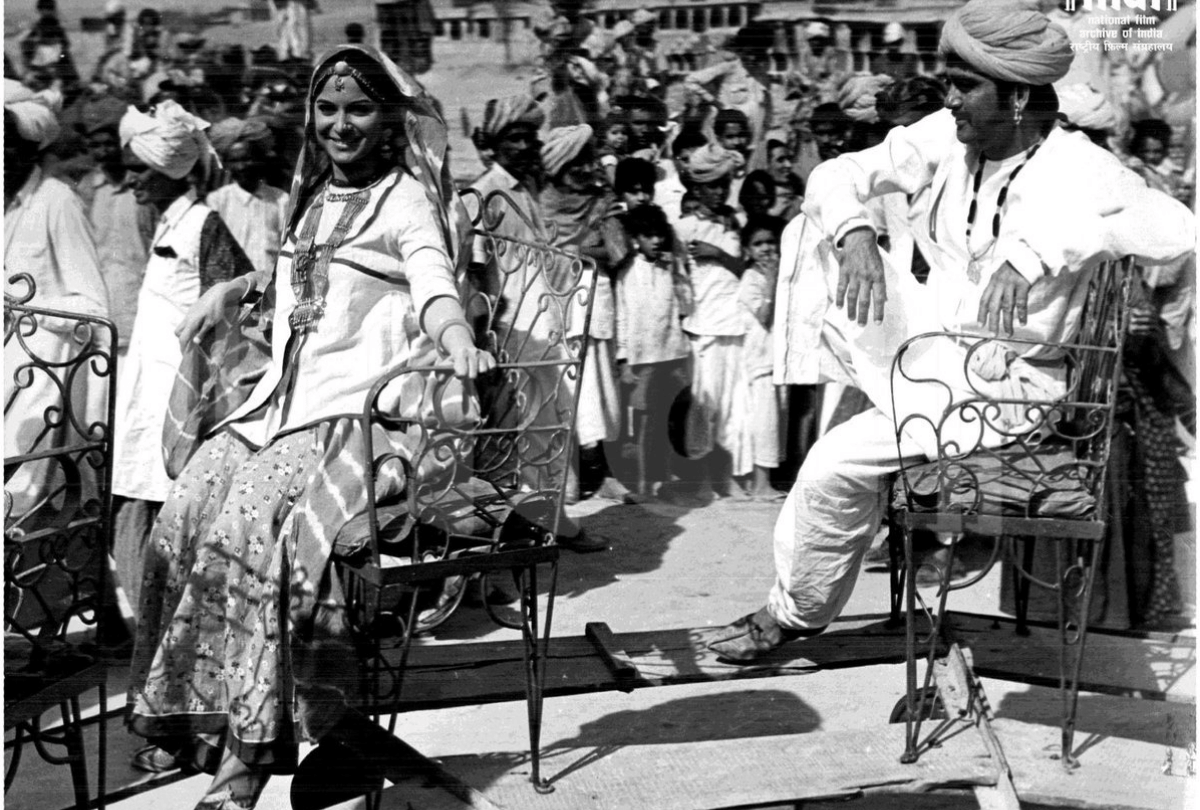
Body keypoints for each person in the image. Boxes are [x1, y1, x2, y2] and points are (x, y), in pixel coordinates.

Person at [707, 0, 1195, 662]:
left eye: (965, 86)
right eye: (950, 83)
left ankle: (790, 616)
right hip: (930, 356)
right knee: (816, 233)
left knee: (832, 463)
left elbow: (1176, 227)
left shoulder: (1081, 167)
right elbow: (836, 173)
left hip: (1006, 393)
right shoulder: (950, 137)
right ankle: (804, 596)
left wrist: (1044, 252)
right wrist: (855, 233)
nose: (950, 99)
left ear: (1016, 97)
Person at [125, 46, 496, 808]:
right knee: (183, 510)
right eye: (328, 109)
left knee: (246, 523)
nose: (340, 124)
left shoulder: (407, 202)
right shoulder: (316, 193)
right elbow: (298, 279)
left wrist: (457, 336)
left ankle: (245, 765)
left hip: (356, 418)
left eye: (359, 109)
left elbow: (433, 280)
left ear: (390, 120)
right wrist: (236, 287)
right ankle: (198, 720)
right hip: (281, 404)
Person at [110, 101, 258, 628]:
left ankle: (172, 633)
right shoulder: (167, 224)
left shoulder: (202, 224)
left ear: (168, 170)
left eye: (139, 170)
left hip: (178, 401)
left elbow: (239, 300)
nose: (131, 180)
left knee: (166, 515)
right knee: (133, 508)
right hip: (146, 393)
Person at [467, 95, 607, 551]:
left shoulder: (526, 191)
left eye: (531, 136)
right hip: (511, 335)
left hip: (543, 330)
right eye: (515, 137)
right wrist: (484, 339)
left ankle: (550, 521)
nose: (526, 145)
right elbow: (476, 273)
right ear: (493, 145)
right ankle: (518, 529)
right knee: (516, 435)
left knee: (547, 430)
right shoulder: (484, 194)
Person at [4, 81, 109, 520]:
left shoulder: (57, 201)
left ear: (29, 148)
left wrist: (26, 306)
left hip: (43, 374)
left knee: (20, 503)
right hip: (7, 372)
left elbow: (95, 310)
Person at [539, 124, 637, 503]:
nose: (584, 169)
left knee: (596, 394)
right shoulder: (541, 201)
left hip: (592, 305)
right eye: (575, 163)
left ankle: (604, 474)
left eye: (587, 161)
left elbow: (618, 251)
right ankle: (568, 475)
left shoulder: (602, 201)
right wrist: (574, 251)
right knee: (562, 394)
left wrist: (574, 252)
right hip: (552, 308)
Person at [675, 143, 751, 500]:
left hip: (735, 327)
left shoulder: (738, 225)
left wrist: (718, 253)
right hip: (701, 328)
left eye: (724, 185)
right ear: (697, 187)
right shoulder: (683, 228)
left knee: (734, 408)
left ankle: (727, 477)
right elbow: (677, 281)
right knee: (702, 408)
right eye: (711, 186)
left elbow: (747, 270)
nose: (719, 192)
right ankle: (701, 481)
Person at [616, 203, 692, 499]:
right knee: (643, 423)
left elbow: (686, 306)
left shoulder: (670, 267)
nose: (656, 241)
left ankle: (667, 482)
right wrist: (624, 361)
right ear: (636, 238)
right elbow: (622, 317)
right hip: (642, 360)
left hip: (673, 355)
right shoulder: (627, 271)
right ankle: (643, 485)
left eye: (659, 235)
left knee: (672, 420)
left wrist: (678, 269)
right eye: (648, 235)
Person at [74, 95, 152, 358]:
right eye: (96, 145)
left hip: (139, 297)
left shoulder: (142, 187)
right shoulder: (87, 189)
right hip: (99, 298)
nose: (104, 152)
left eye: (109, 144)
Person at [738, 215, 786, 501]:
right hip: (760, 360)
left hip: (775, 358)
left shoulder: (776, 277)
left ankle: (764, 481)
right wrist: (771, 280)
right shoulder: (752, 278)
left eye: (770, 242)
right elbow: (765, 317)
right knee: (764, 421)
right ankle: (759, 484)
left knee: (774, 420)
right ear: (747, 250)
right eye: (758, 244)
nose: (766, 248)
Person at [205, 117, 290, 278]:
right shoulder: (217, 201)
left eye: (247, 159)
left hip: (270, 286)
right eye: (234, 161)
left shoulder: (281, 200)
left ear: (260, 159)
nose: (242, 166)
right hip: (230, 286)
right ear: (226, 164)